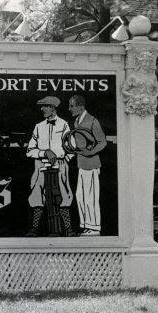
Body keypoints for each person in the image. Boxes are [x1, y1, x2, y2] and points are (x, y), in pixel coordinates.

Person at [25, 96, 74, 236]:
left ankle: (68, 229)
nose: (42, 109)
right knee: (37, 196)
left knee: (63, 195)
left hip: (59, 166)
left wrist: (61, 159)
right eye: (42, 106)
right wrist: (44, 152)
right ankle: (34, 229)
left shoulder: (64, 125)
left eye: (45, 106)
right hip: (40, 167)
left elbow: (71, 147)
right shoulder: (39, 126)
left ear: (53, 107)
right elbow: (30, 150)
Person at [68, 94, 108, 236]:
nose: (69, 109)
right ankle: (86, 226)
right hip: (81, 164)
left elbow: (102, 142)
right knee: (80, 196)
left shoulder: (92, 121)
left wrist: (90, 152)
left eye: (72, 106)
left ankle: (94, 227)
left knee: (90, 196)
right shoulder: (77, 121)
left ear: (81, 106)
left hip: (91, 164)